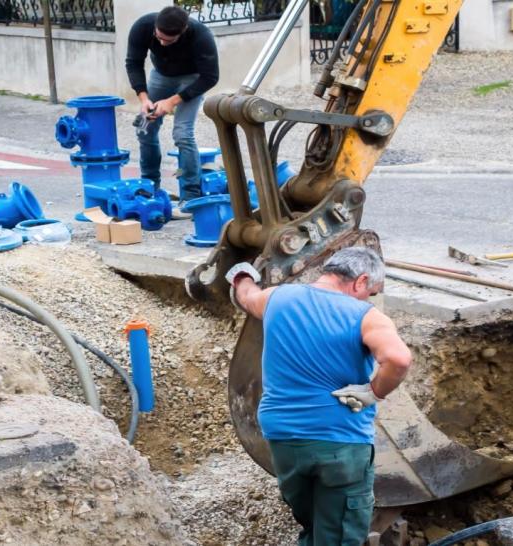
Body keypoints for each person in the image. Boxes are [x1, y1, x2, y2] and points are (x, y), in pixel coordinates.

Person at [227, 247, 413, 545]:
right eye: (372, 292)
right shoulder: (365, 316)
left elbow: (247, 296)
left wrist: (241, 275)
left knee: (313, 522)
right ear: (360, 281)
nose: (370, 298)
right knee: (339, 535)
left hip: (284, 441)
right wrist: (372, 392)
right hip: (340, 443)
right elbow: (399, 359)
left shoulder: (277, 298)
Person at [125, 6, 219, 209]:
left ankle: (191, 196)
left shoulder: (201, 35)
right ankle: (150, 186)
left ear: (183, 31)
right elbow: (133, 63)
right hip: (161, 75)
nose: (161, 43)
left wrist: (172, 102)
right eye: (158, 38)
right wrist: (144, 99)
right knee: (144, 128)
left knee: (183, 134)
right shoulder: (142, 27)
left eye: (168, 40)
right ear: (155, 27)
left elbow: (210, 77)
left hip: (192, 79)